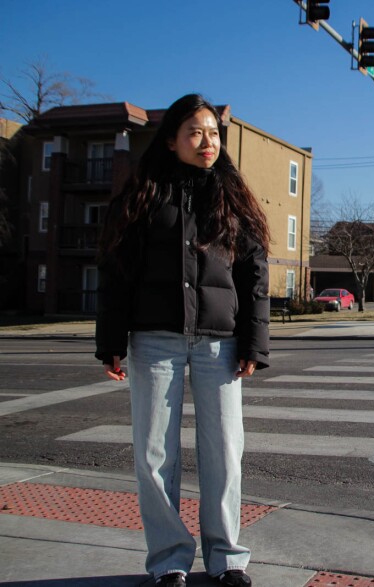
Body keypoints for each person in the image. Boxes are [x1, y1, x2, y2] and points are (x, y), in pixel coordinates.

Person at [95, 94, 270, 587]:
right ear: (171, 140)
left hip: (219, 343)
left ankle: (227, 559)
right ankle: (170, 560)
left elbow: (254, 274)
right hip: (155, 341)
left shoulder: (232, 196)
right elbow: (116, 270)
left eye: (213, 133)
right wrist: (110, 338)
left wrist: (253, 343)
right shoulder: (143, 196)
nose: (207, 142)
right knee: (154, 456)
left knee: (225, 452)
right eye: (195, 132)